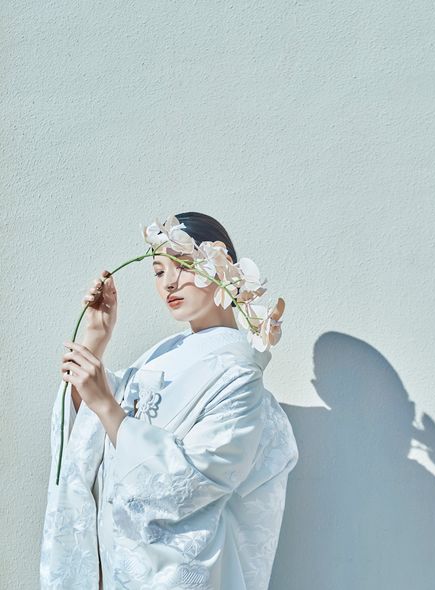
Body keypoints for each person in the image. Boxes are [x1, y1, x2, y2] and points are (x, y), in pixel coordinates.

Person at [40, 211, 299, 590]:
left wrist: (108, 407)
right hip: (122, 565)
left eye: (183, 265)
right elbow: (90, 431)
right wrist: (95, 339)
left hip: (181, 573)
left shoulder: (240, 373)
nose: (169, 283)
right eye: (159, 271)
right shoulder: (163, 353)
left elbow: (196, 480)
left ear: (223, 266)